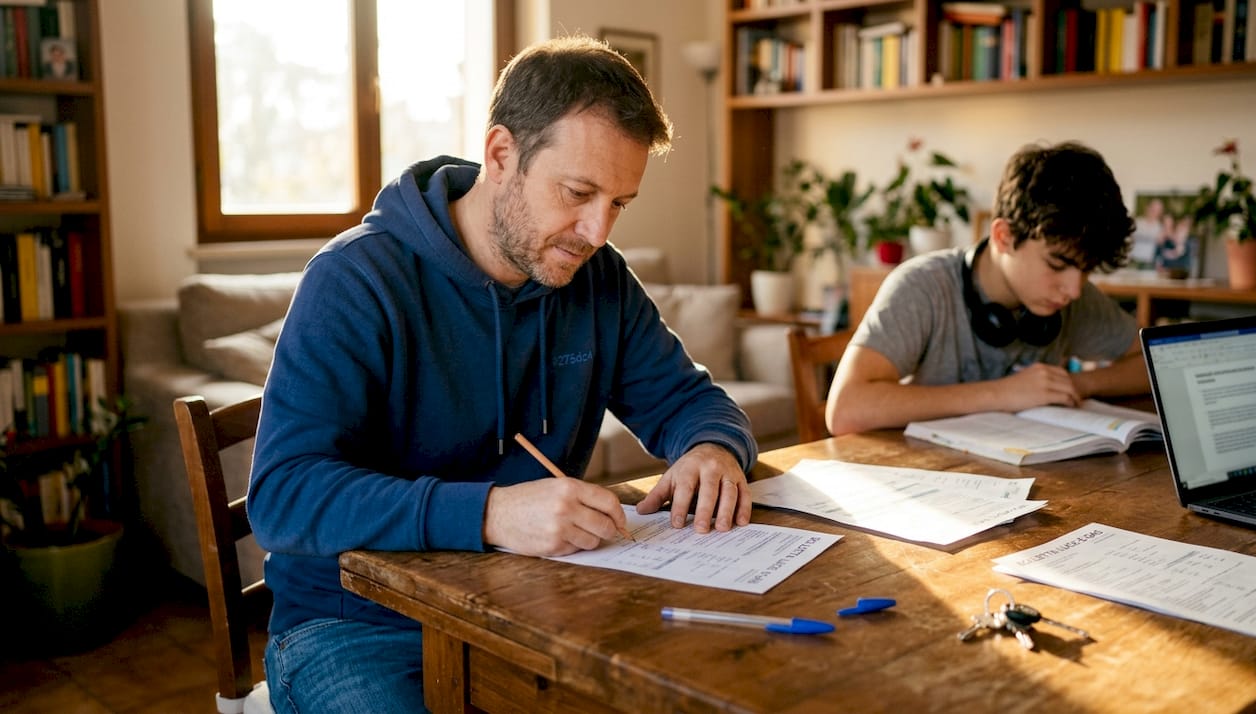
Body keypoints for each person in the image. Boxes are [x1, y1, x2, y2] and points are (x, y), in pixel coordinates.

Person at [247, 35, 757, 712]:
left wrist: (712, 448)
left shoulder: (597, 279)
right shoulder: (354, 280)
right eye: (578, 192)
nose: (597, 230)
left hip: (534, 608)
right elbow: (283, 494)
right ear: (500, 154)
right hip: (355, 628)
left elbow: (689, 399)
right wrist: (488, 513)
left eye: (619, 203)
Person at [826, 140, 1149, 435]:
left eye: (1086, 269)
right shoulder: (923, 286)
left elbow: (1154, 364)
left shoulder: (1071, 295)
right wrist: (1003, 393)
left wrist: (1075, 384)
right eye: (1056, 264)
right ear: (1003, 237)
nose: (1074, 290)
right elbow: (846, 409)